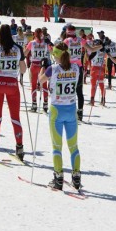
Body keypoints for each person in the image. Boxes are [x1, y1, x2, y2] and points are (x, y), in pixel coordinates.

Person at [39, 42, 82, 190]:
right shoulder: (76, 67)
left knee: (57, 146)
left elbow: (40, 80)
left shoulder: (53, 69)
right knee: (73, 146)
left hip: (57, 110)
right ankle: (76, 176)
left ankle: (58, 177)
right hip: (71, 109)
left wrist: (42, 67)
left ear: (56, 55)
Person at [0, 24, 27, 160]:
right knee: (15, 117)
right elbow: (24, 70)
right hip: (12, 84)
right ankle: (19, 148)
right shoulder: (18, 48)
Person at [25, 28, 51, 113]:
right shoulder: (46, 43)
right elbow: (52, 51)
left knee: (33, 85)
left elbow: (25, 54)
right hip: (43, 65)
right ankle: (45, 104)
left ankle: (34, 104)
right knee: (44, 85)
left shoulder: (32, 43)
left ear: (35, 34)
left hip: (34, 65)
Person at [88, 36, 107, 105]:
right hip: (101, 68)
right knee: (101, 84)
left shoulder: (95, 51)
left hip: (94, 68)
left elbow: (89, 58)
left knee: (93, 85)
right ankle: (103, 99)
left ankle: (92, 100)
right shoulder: (104, 51)